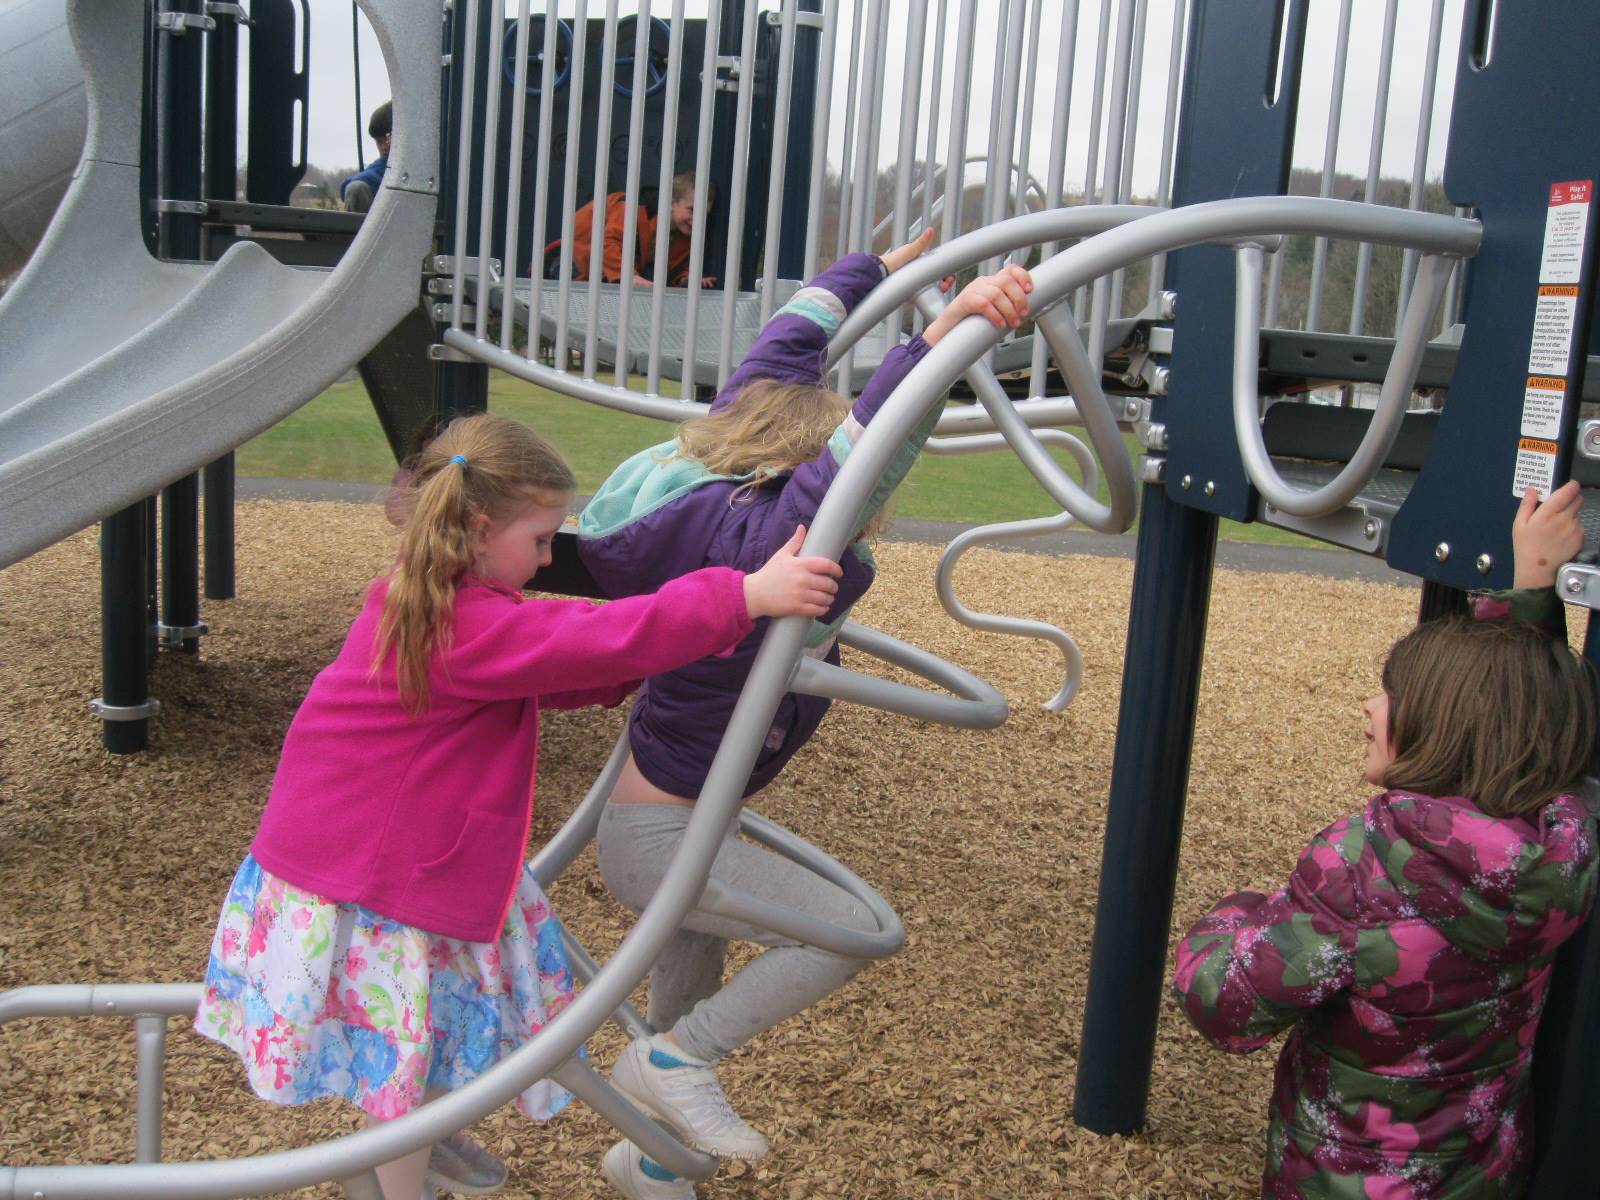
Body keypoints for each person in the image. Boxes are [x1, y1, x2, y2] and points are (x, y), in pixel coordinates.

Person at [192, 413, 845, 1200]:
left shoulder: (435, 601)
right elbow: (596, 640)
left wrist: (669, 654)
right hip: (375, 883)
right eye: (539, 540)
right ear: (475, 530)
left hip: (367, 864)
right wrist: (742, 595)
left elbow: (561, 666)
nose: (548, 557)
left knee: (422, 1035)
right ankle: (407, 1171)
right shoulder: (459, 623)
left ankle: (420, 1145)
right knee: (410, 1057)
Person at [575, 232, 1034, 1198]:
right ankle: (671, 1065)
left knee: (687, 980)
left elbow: (778, 349)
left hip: (683, 816)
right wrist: (945, 331)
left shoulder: (709, 488)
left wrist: (864, 267)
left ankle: (652, 1163)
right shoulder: (768, 537)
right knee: (851, 930)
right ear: (794, 468)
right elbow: (873, 443)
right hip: (662, 835)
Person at [1171, 480, 1598, 1199]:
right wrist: (1531, 587)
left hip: (1348, 1179)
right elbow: (1524, 708)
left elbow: (1226, 1005)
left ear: (1441, 731)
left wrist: (1232, 915)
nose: (1371, 706)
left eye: (1392, 695)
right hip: (1479, 1171)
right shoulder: (1563, 842)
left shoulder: (1365, 869)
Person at [544, 170, 716, 287]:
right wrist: (630, 276)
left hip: (606, 274)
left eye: (705, 214)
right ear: (672, 203)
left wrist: (687, 280)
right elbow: (608, 241)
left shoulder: (683, 237)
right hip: (575, 259)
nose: (698, 219)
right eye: (692, 210)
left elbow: (673, 268)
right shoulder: (633, 207)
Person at [342, 101, 392, 214]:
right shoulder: (379, 168)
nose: (384, 147)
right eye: (379, 142)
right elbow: (348, 186)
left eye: (389, 140)